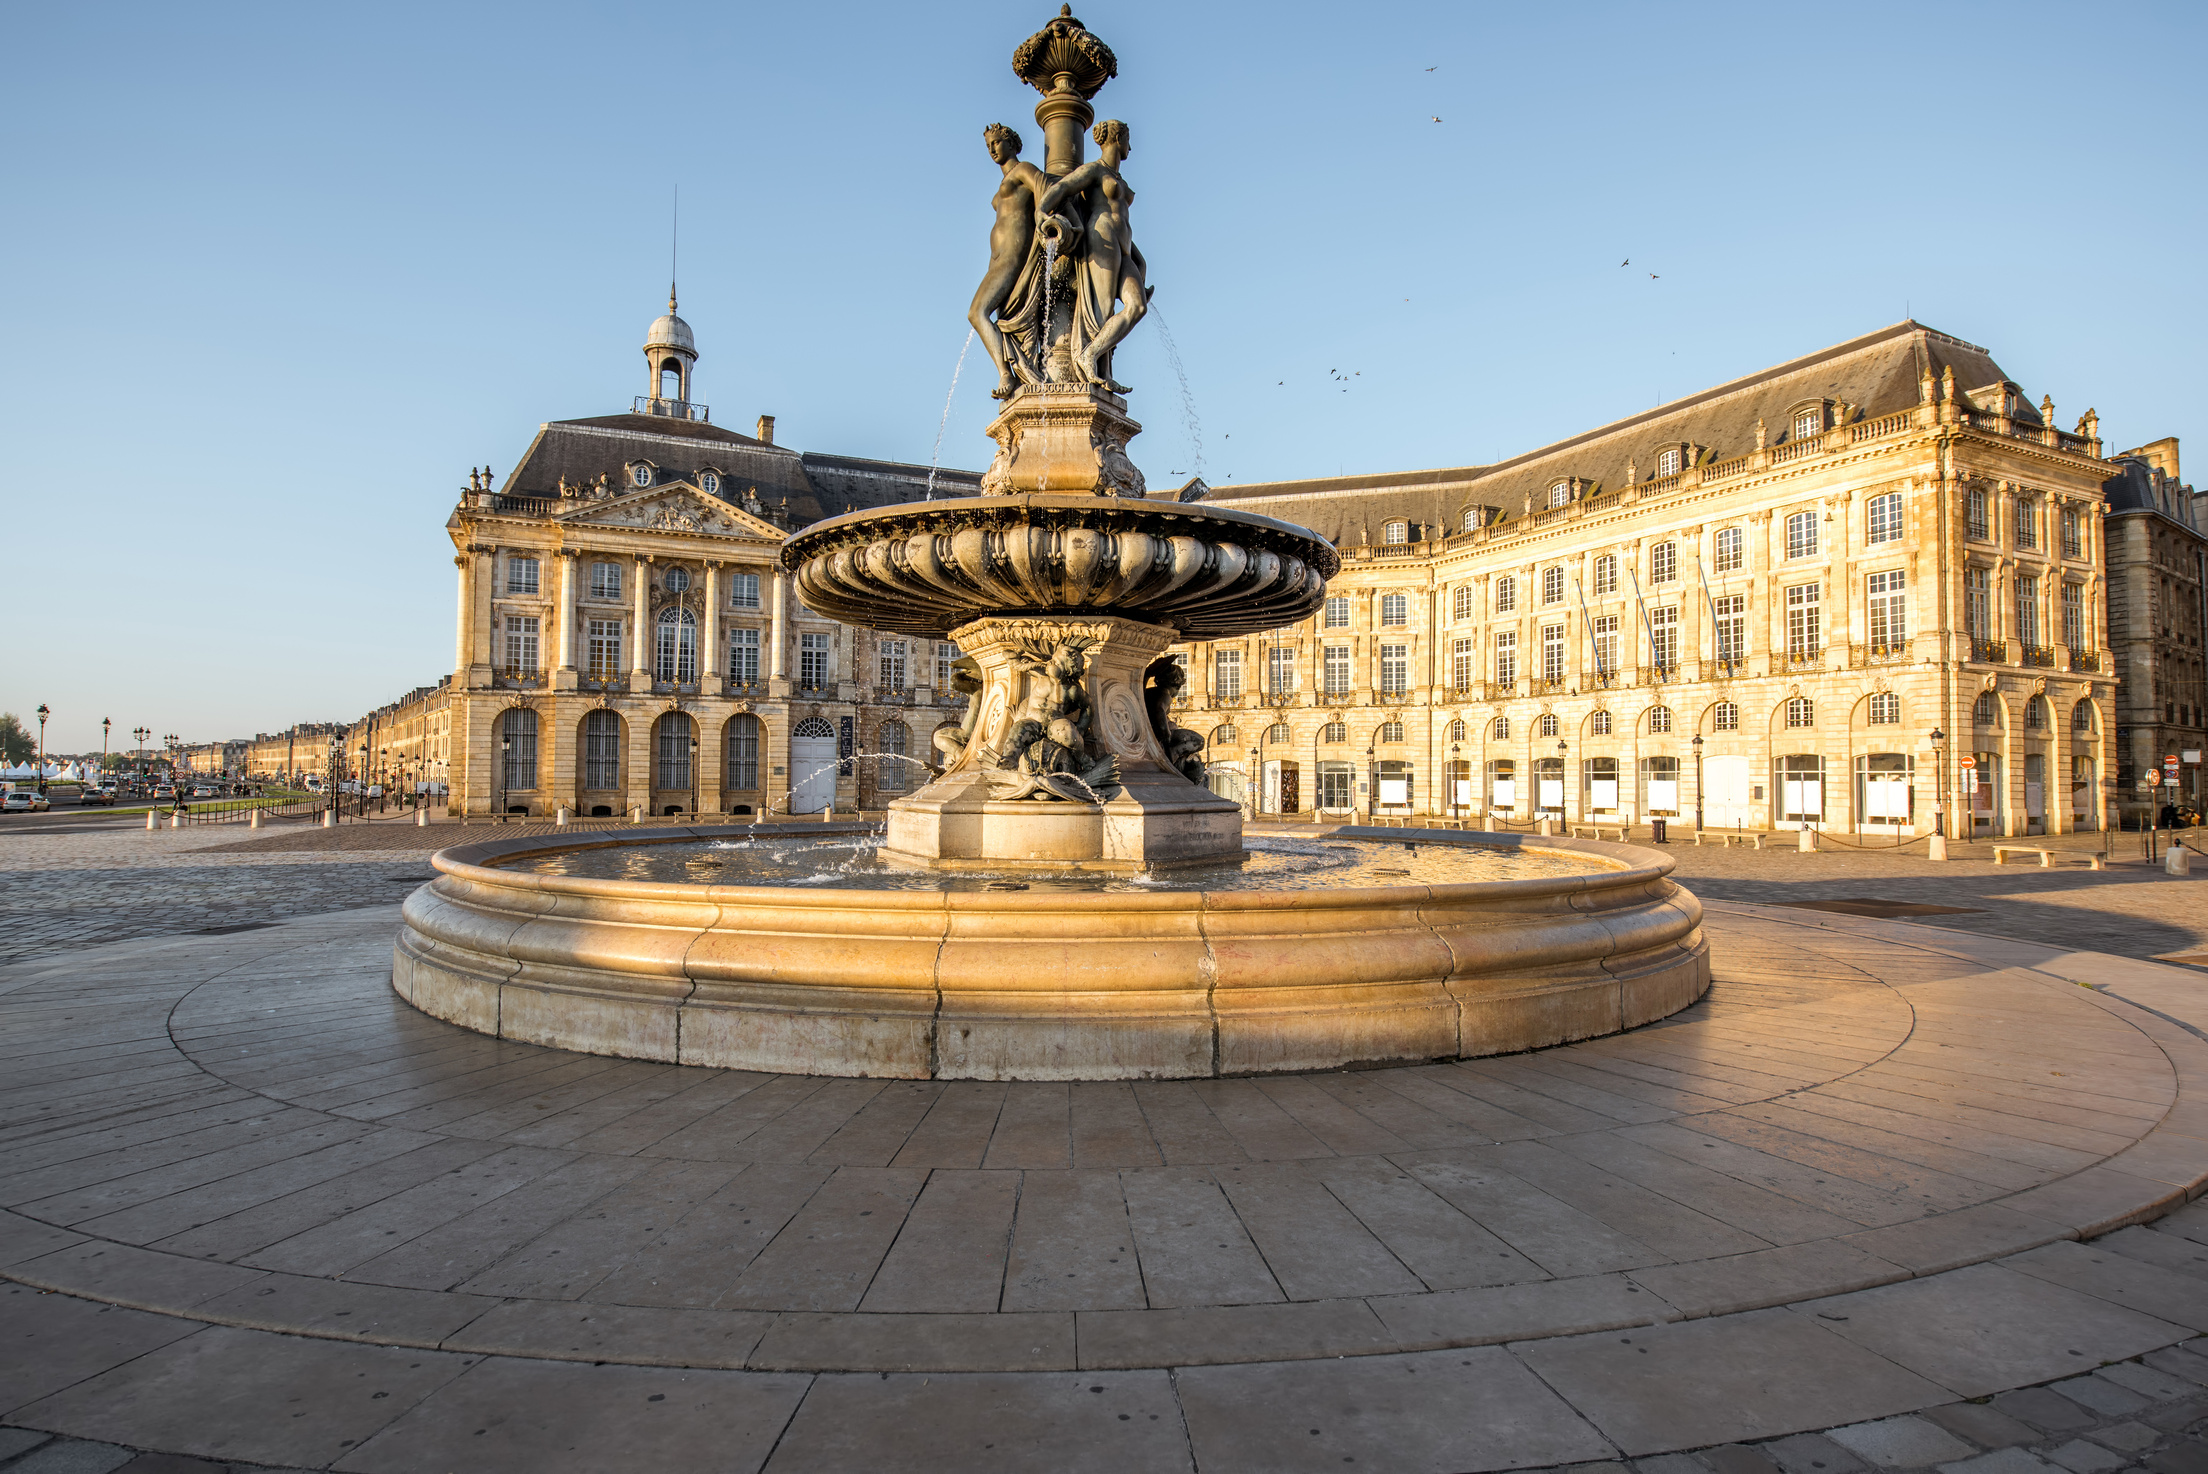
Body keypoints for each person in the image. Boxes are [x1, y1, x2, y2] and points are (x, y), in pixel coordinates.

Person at [1037, 118, 1149, 393]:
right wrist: (1043, 211)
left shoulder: (1118, 177)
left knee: (1138, 306)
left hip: (1124, 246)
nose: (1130, 147)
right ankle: (1094, 364)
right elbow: (1062, 188)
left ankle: (1091, 353)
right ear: (1115, 138)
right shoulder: (1095, 170)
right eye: (1127, 140)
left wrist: (1139, 259)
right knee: (1103, 310)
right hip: (1102, 239)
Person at [967, 123, 1048, 399]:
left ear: (1012, 144)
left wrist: (1044, 218)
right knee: (983, 315)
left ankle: (1006, 373)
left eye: (997, 143)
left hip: (1013, 256)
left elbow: (1046, 189)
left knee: (976, 313)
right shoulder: (1004, 182)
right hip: (998, 260)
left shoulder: (1023, 169)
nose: (992, 149)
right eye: (988, 145)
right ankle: (1011, 371)